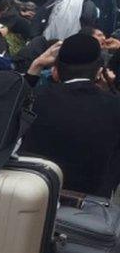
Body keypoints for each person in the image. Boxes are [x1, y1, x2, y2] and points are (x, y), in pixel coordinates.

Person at [21, 33, 120, 196]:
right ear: (99, 72)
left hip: (32, 195)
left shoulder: (35, 99)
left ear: (56, 70)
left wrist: (36, 65)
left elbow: (11, 107)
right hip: (89, 208)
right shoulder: (114, 107)